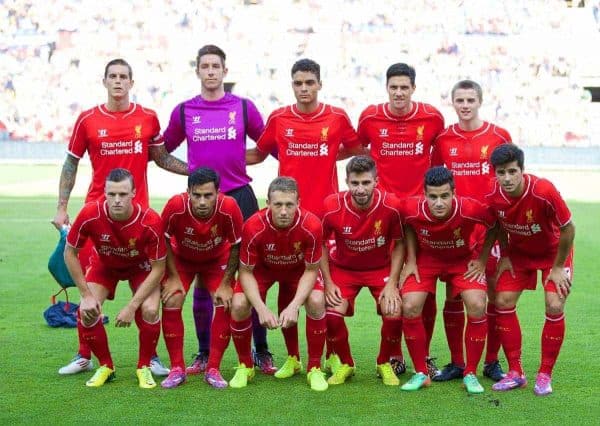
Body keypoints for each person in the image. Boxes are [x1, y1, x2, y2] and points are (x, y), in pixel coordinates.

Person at [53, 58, 187, 377]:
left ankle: (150, 357)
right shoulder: (87, 120)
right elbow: (70, 163)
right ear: (104, 82)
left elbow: (162, 158)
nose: (117, 81)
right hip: (97, 219)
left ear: (131, 82)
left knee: (147, 295)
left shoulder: (147, 118)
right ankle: (84, 354)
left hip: (137, 219)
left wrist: (194, 170)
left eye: (123, 76)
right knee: (88, 290)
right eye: (112, 76)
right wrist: (61, 206)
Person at [162, 45, 275, 374]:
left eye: (216, 66)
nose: (210, 71)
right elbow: (162, 151)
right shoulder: (185, 111)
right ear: (197, 70)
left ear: (225, 71)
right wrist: (194, 173)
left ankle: (262, 350)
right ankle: (202, 353)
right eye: (205, 66)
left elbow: (266, 144)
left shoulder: (243, 107)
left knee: (248, 278)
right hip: (202, 202)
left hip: (239, 196)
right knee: (202, 280)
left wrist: (240, 161)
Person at [357, 63, 445, 377]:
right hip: (386, 217)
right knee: (389, 286)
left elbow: (439, 160)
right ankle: (393, 355)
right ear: (386, 88)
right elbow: (360, 154)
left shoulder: (432, 117)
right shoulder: (369, 117)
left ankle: (426, 353)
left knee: (425, 287)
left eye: (404, 87)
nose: (398, 93)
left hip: (421, 217)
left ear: (413, 89)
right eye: (393, 87)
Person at [387, 166, 496, 393]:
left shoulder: (469, 208)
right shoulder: (410, 207)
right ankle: (421, 373)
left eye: (444, 196)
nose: (439, 203)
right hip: (428, 260)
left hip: (462, 261)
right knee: (409, 305)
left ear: (453, 193)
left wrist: (483, 259)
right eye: (433, 197)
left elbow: (494, 225)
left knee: (477, 304)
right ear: (424, 194)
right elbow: (407, 223)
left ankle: (470, 373)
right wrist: (412, 260)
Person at [430, 80, 512, 382]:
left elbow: (509, 177)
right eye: (460, 100)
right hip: (455, 230)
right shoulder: (443, 139)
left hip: (490, 228)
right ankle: (456, 362)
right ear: (453, 103)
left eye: (470, 100)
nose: (465, 105)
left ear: (480, 101)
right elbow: (435, 181)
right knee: (454, 296)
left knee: (490, 294)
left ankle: (491, 361)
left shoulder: (498, 136)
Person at [64, 168, 166, 388]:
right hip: (105, 264)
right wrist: (85, 294)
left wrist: (131, 306)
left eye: (122, 194)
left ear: (133, 193)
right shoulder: (90, 213)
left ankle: (145, 366)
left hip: (141, 266)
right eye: (111, 194)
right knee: (86, 310)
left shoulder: (150, 220)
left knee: (149, 309)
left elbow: (159, 268)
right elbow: (69, 253)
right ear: (105, 192)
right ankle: (106, 366)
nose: (117, 200)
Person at [486, 144, 575, 396]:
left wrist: (558, 267)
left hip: (553, 254)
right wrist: (504, 254)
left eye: (512, 171)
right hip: (520, 254)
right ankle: (515, 373)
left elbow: (568, 228)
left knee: (554, 304)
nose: (507, 178)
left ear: (522, 170)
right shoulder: (493, 195)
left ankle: (545, 374)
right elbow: (497, 226)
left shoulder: (543, 190)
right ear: (495, 173)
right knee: (502, 301)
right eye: (501, 172)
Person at [229, 177, 328, 391]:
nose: (283, 211)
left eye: (289, 205)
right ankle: (245, 365)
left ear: (298, 203)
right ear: (268, 203)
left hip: (298, 271)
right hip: (262, 271)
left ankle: (313, 367)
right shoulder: (253, 225)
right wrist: (261, 308)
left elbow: (312, 270)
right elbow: (245, 272)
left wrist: (294, 306)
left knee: (317, 300)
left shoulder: (311, 225)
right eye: (278, 205)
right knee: (238, 304)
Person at [321, 156, 405, 386]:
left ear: (376, 181)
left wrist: (392, 283)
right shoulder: (331, 206)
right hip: (344, 269)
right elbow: (320, 244)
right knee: (331, 314)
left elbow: (399, 243)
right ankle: (347, 363)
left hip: (380, 269)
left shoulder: (392, 206)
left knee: (394, 310)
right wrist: (328, 282)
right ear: (346, 182)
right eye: (354, 183)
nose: (360, 189)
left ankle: (383, 362)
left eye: (366, 183)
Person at [246, 58, 364, 219]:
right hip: (287, 206)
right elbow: (258, 154)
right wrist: (219, 160)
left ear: (319, 85)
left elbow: (355, 149)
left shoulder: (337, 116)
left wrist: (329, 154)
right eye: (298, 83)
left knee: (323, 245)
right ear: (292, 85)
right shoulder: (278, 117)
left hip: (326, 207)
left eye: (309, 83)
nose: (303, 88)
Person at [159, 167, 243, 389]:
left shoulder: (229, 207)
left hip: (216, 260)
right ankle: (177, 368)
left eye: (208, 195)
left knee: (225, 301)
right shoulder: (175, 206)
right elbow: (164, 239)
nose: (202, 201)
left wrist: (226, 283)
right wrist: (174, 277)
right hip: (182, 260)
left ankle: (213, 368)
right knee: (172, 298)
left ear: (218, 192)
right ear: (188, 192)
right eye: (196, 195)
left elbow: (236, 245)